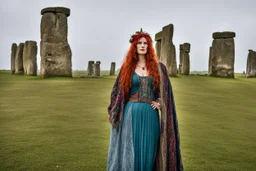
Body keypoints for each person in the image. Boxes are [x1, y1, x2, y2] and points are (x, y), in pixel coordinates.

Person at [107, 29, 184, 171]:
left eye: (146, 43)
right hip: (131, 115)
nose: (143, 46)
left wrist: (160, 102)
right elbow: (117, 92)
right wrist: (115, 111)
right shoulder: (127, 68)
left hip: (150, 115)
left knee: (149, 152)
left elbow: (165, 93)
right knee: (132, 152)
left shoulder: (159, 68)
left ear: (149, 47)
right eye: (139, 43)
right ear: (134, 46)